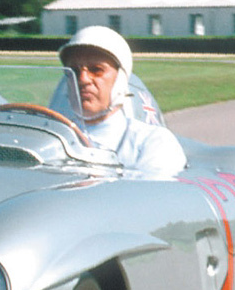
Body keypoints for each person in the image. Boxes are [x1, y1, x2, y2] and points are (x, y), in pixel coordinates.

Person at [54, 25, 187, 177]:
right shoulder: (54, 139)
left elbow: (151, 197)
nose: (82, 79)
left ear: (120, 80)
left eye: (96, 70)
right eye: (74, 71)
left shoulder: (153, 143)